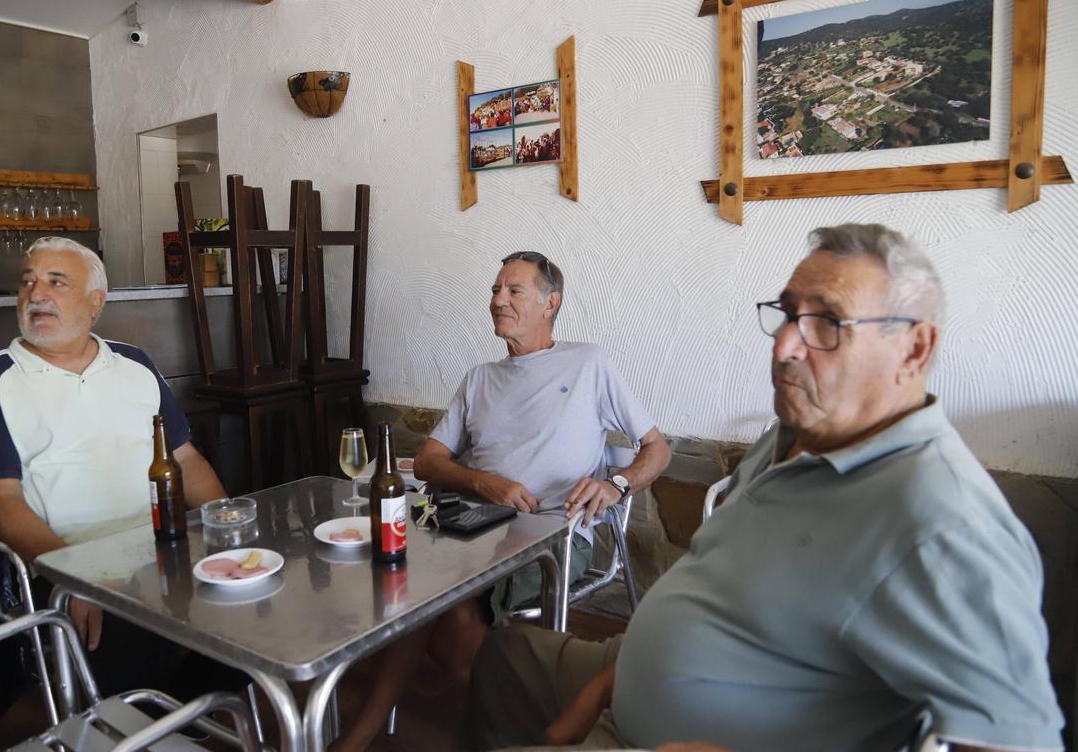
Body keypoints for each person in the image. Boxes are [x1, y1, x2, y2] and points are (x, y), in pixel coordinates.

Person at [467, 224, 1064, 752]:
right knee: (501, 657)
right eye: (787, 313)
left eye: (827, 322)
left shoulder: (947, 524)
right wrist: (619, 674)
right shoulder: (792, 436)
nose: (783, 346)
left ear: (914, 348)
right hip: (627, 676)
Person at [329, 251, 671, 752]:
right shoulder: (479, 378)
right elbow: (427, 461)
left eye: (514, 290)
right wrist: (484, 483)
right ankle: (489, 710)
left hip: (550, 531)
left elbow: (657, 448)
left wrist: (616, 484)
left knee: (438, 609)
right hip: (471, 519)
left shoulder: (588, 363)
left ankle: (374, 732)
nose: (498, 300)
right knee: (413, 589)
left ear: (551, 303)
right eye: (495, 290)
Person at [0, 237, 233, 731]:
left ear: (96, 301)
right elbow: (1, 500)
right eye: (28, 281)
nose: (36, 294)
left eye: (56, 282)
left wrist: (230, 531)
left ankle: (161, 721)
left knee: (258, 618)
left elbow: (184, 458)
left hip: (165, 549)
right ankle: (146, 724)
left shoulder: (135, 364)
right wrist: (74, 576)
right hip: (71, 564)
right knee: (125, 649)